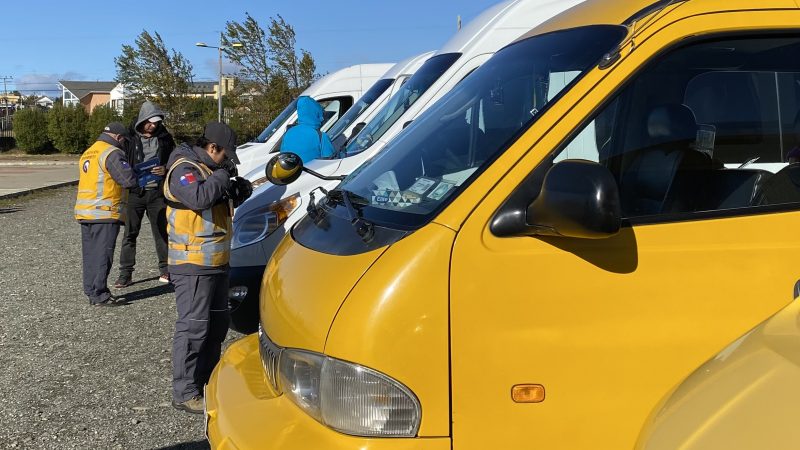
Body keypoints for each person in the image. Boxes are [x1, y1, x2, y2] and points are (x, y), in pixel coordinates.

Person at [163, 121, 252, 414]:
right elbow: (198, 197)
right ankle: (185, 391)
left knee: (216, 327)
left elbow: (215, 204)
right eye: (225, 156)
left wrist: (237, 190)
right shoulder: (183, 169)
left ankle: (207, 383)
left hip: (216, 264)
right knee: (194, 329)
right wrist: (223, 177)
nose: (227, 163)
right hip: (192, 265)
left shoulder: (211, 171)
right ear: (212, 148)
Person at [74, 122, 138, 307]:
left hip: (86, 212)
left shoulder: (90, 151)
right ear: (119, 138)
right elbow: (127, 179)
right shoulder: (112, 153)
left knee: (91, 255)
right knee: (103, 255)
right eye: (124, 141)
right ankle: (100, 294)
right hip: (105, 212)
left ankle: (92, 291)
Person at [115, 101, 176, 288]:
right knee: (130, 234)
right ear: (142, 120)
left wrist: (165, 169)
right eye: (150, 122)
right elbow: (120, 162)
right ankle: (125, 274)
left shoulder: (165, 138)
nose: (154, 126)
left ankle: (166, 270)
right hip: (135, 193)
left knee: (161, 232)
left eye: (156, 122)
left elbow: (175, 160)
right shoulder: (129, 139)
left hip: (157, 193)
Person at [279, 96, 336, 163]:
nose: (322, 119)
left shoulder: (288, 134)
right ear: (316, 114)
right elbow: (331, 162)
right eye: (319, 114)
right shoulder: (321, 136)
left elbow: (282, 158)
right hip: (314, 172)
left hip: (292, 173)